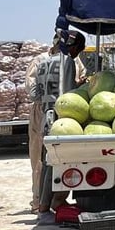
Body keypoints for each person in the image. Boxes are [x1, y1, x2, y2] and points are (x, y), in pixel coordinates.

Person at [27, 29, 87, 216]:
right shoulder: (67, 62)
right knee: (58, 161)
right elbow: (68, 95)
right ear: (74, 47)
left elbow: (33, 93)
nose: (78, 54)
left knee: (44, 161)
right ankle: (50, 203)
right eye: (80, 49)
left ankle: (40, 203)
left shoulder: (42, 62)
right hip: (61, 117)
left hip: (44, 114)